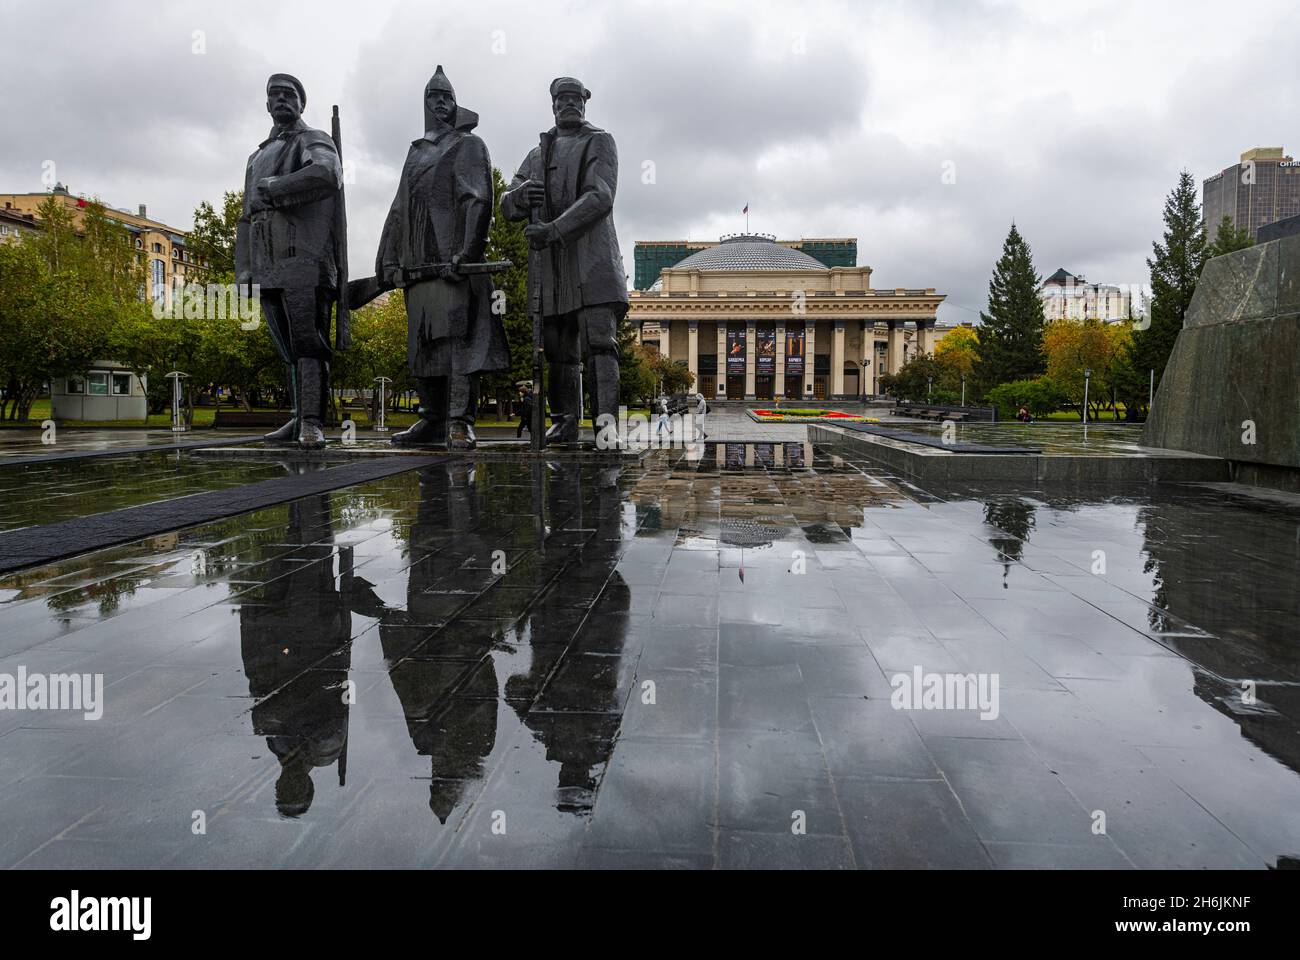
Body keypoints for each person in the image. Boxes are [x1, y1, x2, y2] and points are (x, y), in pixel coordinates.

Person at [377, 66, 508, 450]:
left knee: (459, 346)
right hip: (417, 268)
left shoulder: (468, 144)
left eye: (447, 97)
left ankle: (459, 421)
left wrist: (465, 253)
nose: (440, 103)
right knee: (423, 344)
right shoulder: (415, 152)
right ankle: (432, 420)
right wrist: (386, 260)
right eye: (434, 97)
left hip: (453, 267)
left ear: (455, 105)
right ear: (424, 104)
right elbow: (399, 208)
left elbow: (477, 199)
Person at [500, 76, 628, 444]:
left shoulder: (599, 141)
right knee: (557, 351)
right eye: (563, 98)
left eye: (576, 98)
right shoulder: (537, 154)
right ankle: (565, 422)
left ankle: (606, 427)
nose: (569, 104)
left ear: (584, 104)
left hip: (591, 262)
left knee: (600, 344)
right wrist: (521, 196)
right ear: (553, 104)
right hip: (551, 270)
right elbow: (506, 204)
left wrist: (554, 229)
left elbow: (600, 196)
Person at [236, 73, 348, 449]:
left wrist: (277, 187)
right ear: (267, 104)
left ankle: (313, 422)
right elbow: (245, 217)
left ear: (302, 103)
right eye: (274, 95)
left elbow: (327, 173)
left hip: (304, 261)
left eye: (290, 94)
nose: (282, 99)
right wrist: (243, 270)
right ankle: (299, 416)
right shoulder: (256, 156)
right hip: (267, 264)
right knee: (286, 348)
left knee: (307, 343)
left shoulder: (312, 139)